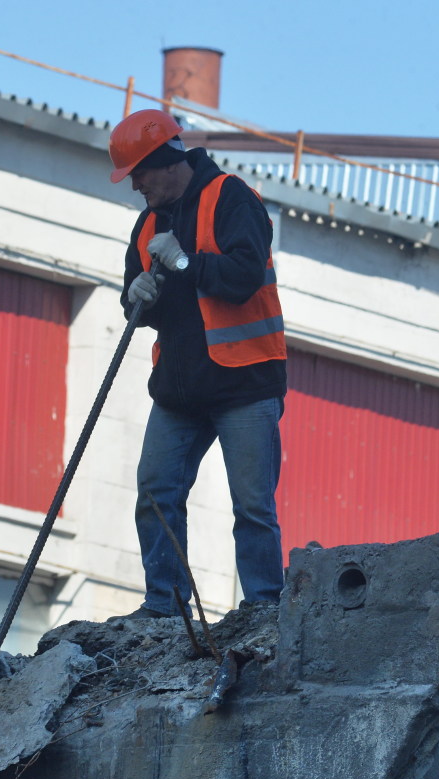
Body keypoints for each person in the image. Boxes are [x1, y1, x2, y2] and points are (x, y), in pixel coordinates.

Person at [107, 109, 287, 620]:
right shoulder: (147, 226)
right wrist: (136, 296)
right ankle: (164, 607)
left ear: (165, 160)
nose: (136, 185)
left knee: (252, 506)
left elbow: (244, 276)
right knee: (156, 492)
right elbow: (141, 304)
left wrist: (183, 261)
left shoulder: (231, 198)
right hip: (180, 390)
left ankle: (263, 609)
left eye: (139, 173)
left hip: (245, 383)